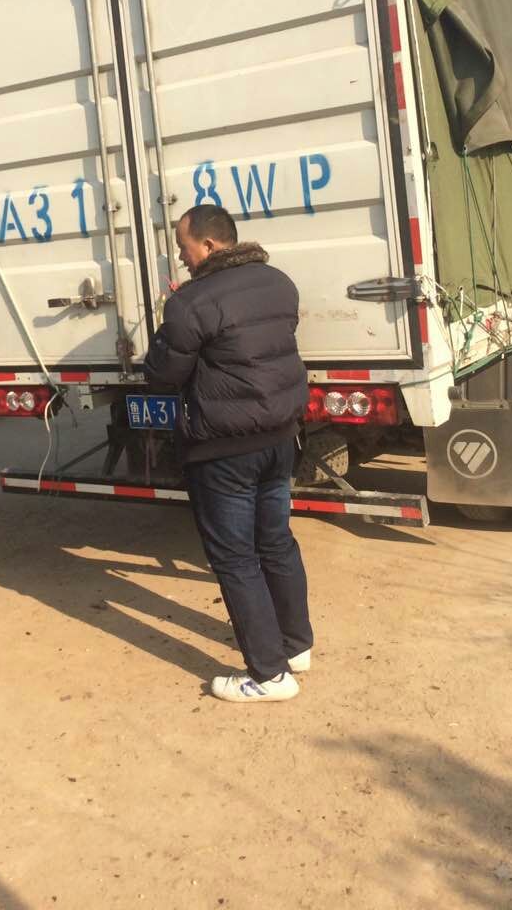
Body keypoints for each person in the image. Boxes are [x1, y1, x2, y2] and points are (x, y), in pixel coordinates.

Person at [144, 205, 312, 703]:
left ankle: (269, 676)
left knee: (236, 559)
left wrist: (163, 327)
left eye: (184, 247)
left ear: (210, 246)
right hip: (280, 438)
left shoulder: (191, 302)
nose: (181, 257)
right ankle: (296, 645)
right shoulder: (279, 282)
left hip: (223, 451)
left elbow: (164, 373)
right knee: (276, 541)